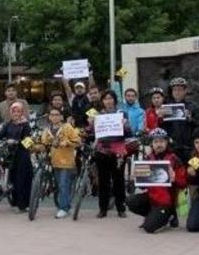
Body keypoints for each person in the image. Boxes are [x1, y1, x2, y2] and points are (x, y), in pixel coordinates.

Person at [126, 128, 188, 233]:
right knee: (130, 201)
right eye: (156, 142)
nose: (159, 144)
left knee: (149, 228)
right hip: (151, 198)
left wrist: (175, 179)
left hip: (166, 202)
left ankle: (170, 215)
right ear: (152, 143)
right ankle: (155, 216)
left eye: (162, 141)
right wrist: (136, 178)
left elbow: (183, 184)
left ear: (166, 142)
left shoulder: (174, 159)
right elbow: (142, 186)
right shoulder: (148, 158)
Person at [90, 89, 131, 218]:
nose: (108, 101)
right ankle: (103, 209)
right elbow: (92, 132)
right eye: (106, 99)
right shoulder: (98, 115)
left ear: (115, 100)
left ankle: (121, 208)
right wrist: (91, 125)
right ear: (102, 101)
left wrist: (125, 125)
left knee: (118, 180)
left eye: (110, 98)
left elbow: (129, 132)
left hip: (118, 151)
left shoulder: (121, 114)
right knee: (103, 181)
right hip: (102, 150)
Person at [0, 101, 34, 213]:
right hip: (10, 155)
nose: (15, 113)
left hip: (22, 155)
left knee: (21, 180)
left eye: (18, 111)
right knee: (12, 179)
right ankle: (15, 202)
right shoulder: (8, 124)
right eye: (13, 111)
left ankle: (23, 205)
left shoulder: (26, 125)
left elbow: (29, 141)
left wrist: (17, 142)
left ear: (22, 112)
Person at [40, 107, 81, 219]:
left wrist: (67, 142)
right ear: (49, 117)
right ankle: (65, 205)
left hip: (66, 161)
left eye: (57, 114)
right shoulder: (47, 129)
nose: (54, 117)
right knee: (60, 185)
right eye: (52, 114)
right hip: (53, 161)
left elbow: (77, 141)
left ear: (61, 117)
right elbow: (43, 142)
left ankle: (64, 208)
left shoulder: (67, 127)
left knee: (63, 185)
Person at [165, 78, 199, 165]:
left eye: (180, 90)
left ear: (185, 91)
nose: (177, 92)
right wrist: (160, 118)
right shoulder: (166, 108)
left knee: (194, 171)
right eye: (175, 90)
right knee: (175, 173)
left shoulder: (193, 106)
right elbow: (163, 128)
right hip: (172, 149)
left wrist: (190, 119)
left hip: (190, 148)